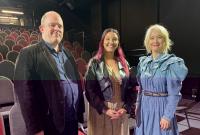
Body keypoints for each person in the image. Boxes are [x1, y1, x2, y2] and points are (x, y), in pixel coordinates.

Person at [14, 11, 84, 135]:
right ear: (42, 28)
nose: (57, 28)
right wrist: (35, 129)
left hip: (71, 121)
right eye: (52, 25)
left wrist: (79, 116)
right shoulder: (28, 53)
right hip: (49, 125)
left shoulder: (68, 54)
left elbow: (76, 85)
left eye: (60, 26)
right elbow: (25, 96)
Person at [135, 24, 188, 135]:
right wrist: (138, 106)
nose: (155, 41)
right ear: (147, 41)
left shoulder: (171, 63)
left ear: (165, 40)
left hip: (161, 108)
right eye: (152, 37)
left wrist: (167, 116)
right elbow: (141, 89)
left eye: (159, 37)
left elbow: (174, 94)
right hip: (144, 108)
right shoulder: (143, 63)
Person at [85, 28, 137, 135]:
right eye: (107, 39)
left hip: (120, 111)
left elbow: (132, 89)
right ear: (102, 42)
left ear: (118, 43)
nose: (111, 42)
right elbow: (90, 91)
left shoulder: (124, 63)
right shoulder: (94, 63)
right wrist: (105, 109)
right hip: (101, 112)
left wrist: (126, 108)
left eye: (114, 39)